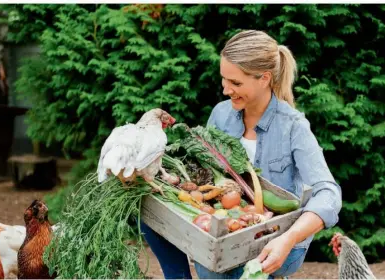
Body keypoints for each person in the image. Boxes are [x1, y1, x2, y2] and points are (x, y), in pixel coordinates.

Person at [139, 29, 342, 279]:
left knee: (222, 270)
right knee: (151, 213)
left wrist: (288, 239)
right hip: (230, 225)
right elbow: (206, 173)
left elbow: (329, 193)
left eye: (235, 83)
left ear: (264, 78)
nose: (226, 90)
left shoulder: (293, 127)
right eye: (224, 80)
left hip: (278, 241)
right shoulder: (222, 114)